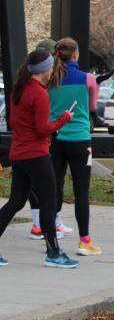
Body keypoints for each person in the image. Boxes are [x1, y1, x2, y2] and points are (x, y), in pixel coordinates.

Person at [0, 50, 76, 268]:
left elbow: (19, 123)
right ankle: (53, 252)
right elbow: (43, 129)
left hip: (19, 153)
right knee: (49, 202)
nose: (52, 71)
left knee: (16, 201)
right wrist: (64, 118)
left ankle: (53, 251)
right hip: (36, 155)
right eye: (50, 67)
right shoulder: (39, 93)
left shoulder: (19, 90)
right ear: (44, 71)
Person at [46, 38, 101, 256]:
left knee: (53, 189)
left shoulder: (50, 78)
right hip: (80, 140)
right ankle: (84, 241)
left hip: (55, 139)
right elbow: (92, 106)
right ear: (76, 54)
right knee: (81, 192)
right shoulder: (89, 79)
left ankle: (51, 241)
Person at [27, 38, 73, 240]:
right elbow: (43, 127)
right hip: (45, 140)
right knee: (52, 186)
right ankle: (51, 231)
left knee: (22, 193)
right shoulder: (43, 86)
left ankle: (40, 225)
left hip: (27, 145)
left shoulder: (25, 83)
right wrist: (64, 118)